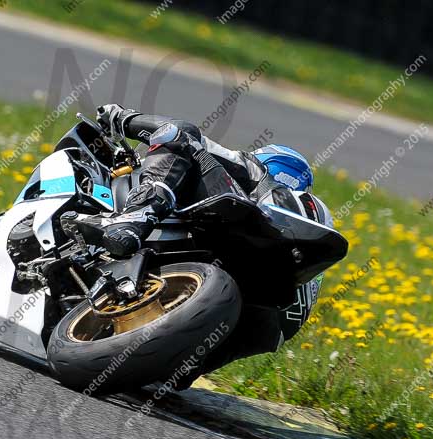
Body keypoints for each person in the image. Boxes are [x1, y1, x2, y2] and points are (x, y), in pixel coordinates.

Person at [79, 104, 335, 372]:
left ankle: (135, 217)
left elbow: (181, 134)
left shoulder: (253, 174)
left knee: (181, 133)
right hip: (239, 335)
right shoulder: (307, 253)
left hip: (220, 306)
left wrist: (122, 118)